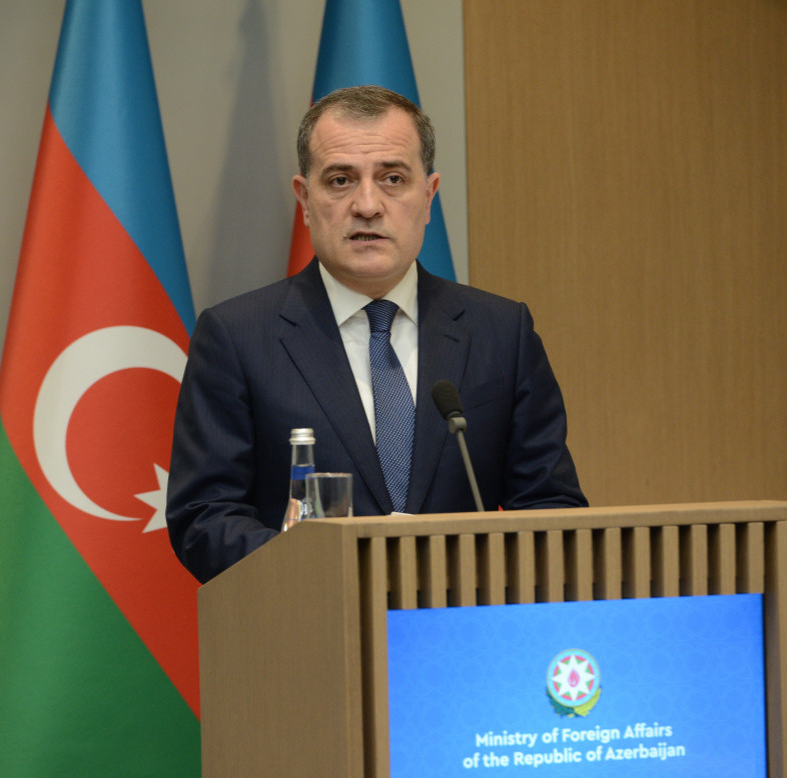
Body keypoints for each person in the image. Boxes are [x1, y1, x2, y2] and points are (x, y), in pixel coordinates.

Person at [166, 85, 586, 583]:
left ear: (428, 196)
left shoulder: (500, 332)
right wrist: (340, 571)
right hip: (312, 618)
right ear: (305, 199)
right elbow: (205, 518)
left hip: (463, 622)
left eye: (392, 178)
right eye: (340, 180)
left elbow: (549, 506)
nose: (367, 205)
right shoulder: (237, 336)